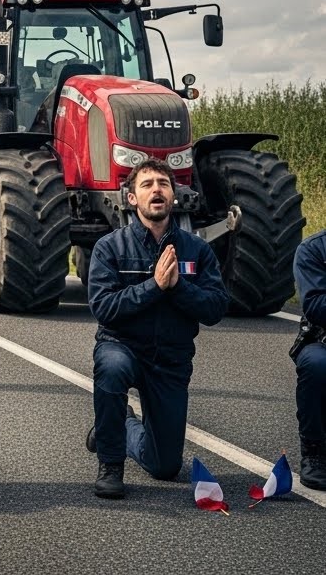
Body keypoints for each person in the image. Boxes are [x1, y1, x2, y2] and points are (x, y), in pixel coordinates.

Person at [85, 158, 229, 499]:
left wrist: (178, 287)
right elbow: (104, 308)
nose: (156, 190)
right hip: (122, 346)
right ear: (131, 198)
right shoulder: (110, 248)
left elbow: (215, 309)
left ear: (174, 194)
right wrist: (155, 286)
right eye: (147, 184)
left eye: (163, 184)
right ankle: (110, 463)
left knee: (165, 467)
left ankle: (122, 424)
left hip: (170, 360)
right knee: (112, 366)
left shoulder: (197, 250)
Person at [292, 229, 326, 490]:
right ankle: (314, 453)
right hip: (322, 340)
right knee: (315, 364)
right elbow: (315, 306)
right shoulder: (314, 249)